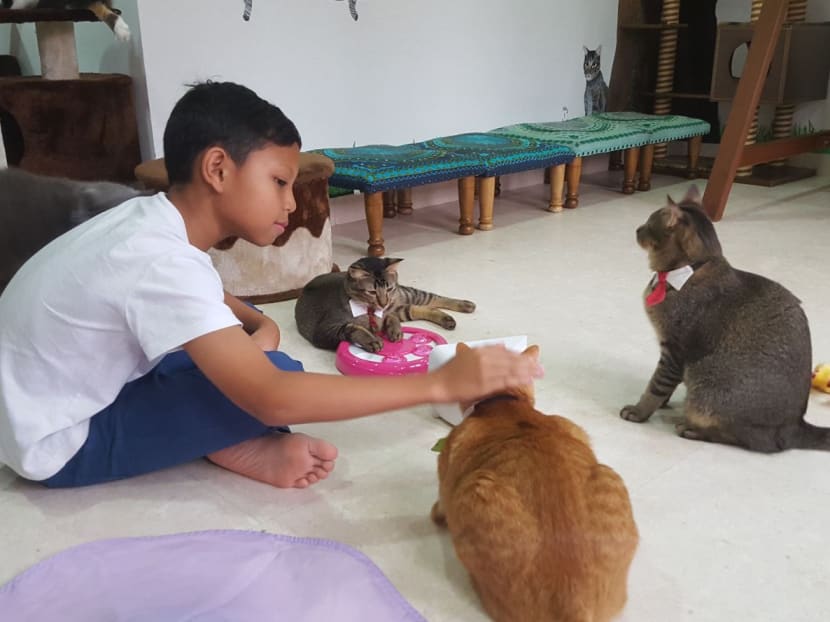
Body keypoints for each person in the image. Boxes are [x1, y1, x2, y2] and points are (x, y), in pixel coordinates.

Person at [0, 81, 542, 490]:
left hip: (34, 398)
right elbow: (271, 396)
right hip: (56, 442)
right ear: (217, 168)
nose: (290, 201)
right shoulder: (162, 263)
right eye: (279, 182)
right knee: (276, 380)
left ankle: (226, 435)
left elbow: (196, 291)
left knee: (256, 363)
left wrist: (257, 322)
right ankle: (234, 445)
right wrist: (440, 386)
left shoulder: (148, 221)